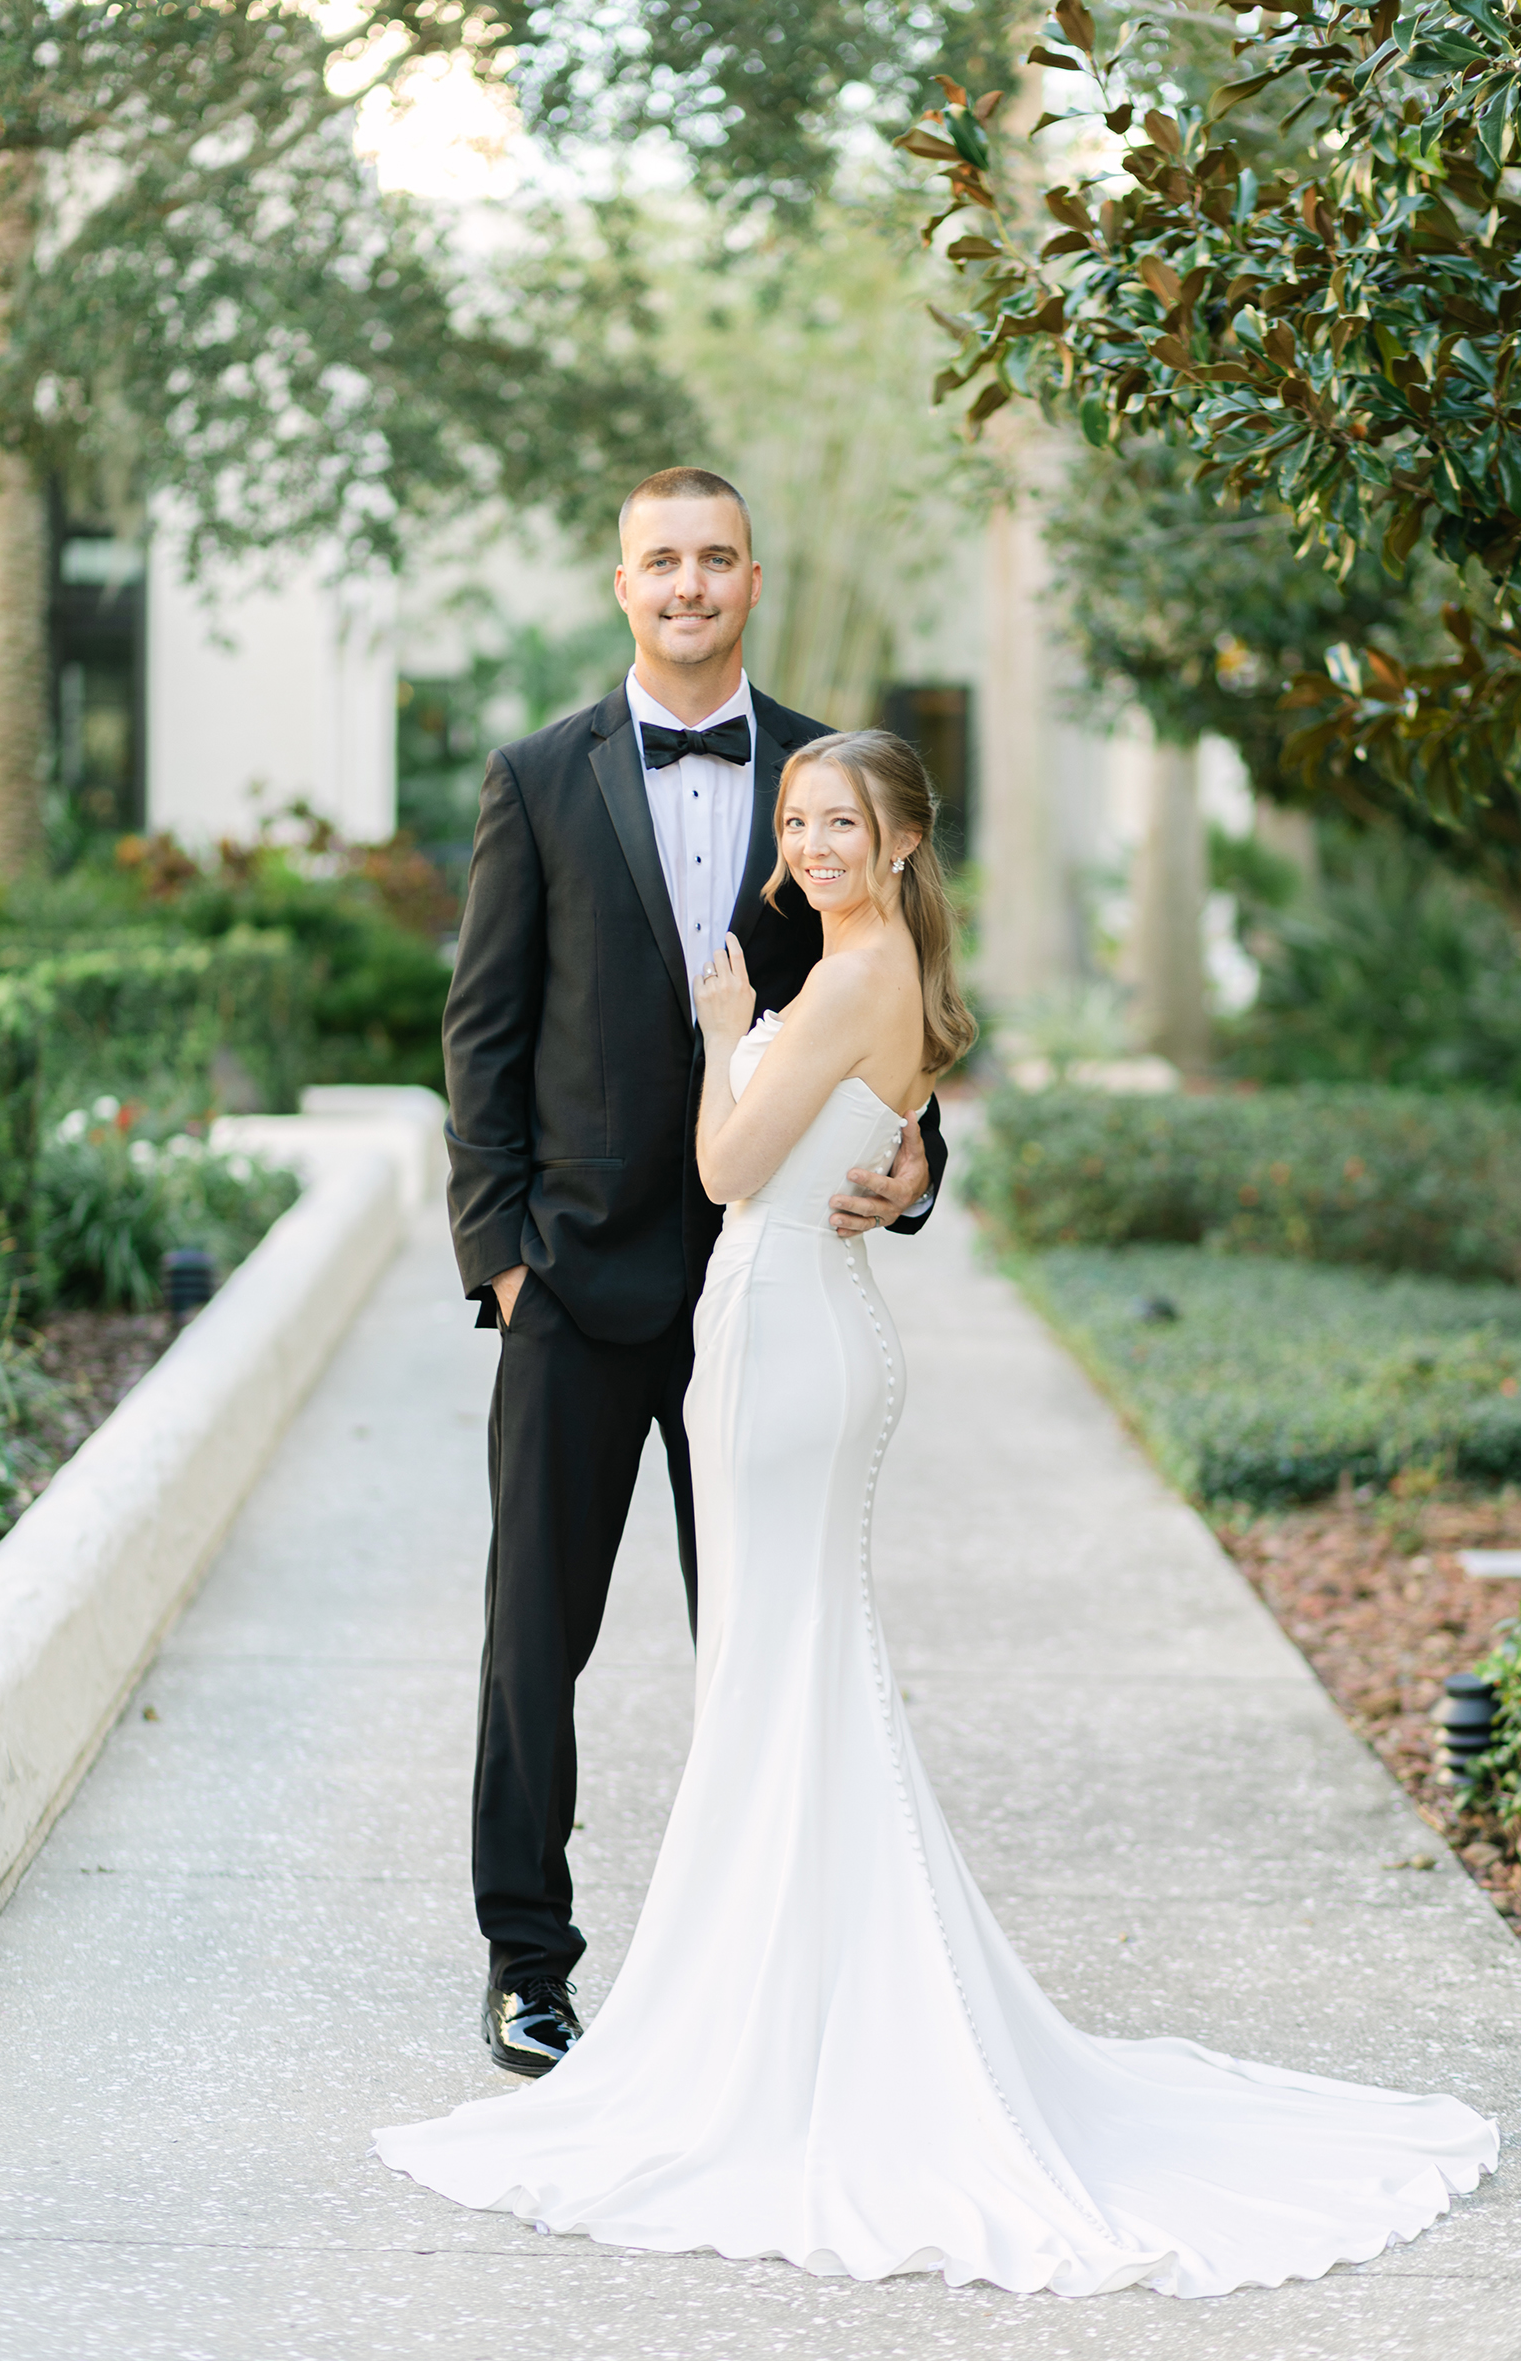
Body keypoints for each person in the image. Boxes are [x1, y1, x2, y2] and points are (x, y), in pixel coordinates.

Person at [378, 729, 1496, 2298]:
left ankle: (781, 2027)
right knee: (751, 1671)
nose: (812, 840)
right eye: (796, 821)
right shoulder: (781, 912)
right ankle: (708, 1985)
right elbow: (494, 1023)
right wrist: (507, 1243)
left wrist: (726, 1034)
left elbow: (726, 1161)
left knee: (773, 1675)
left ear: (900, 840)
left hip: (781, 1342)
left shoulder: (845, 967)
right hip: (719, 1323)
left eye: (839, 821)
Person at [440, 467, 948, 2077]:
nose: (688, 584)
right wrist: (502, 1259)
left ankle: (767, 1966)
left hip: (764, 1300)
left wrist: (923, 1169)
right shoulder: (537, 777)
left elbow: (904, 1000)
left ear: (751, 577)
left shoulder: (827, 778)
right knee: (536, 1641)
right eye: (660, 561)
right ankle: (529, 1961)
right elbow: (485, 1034)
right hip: (576, 1290)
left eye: (715, 558)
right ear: (621, 585)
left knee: (765, 1629)